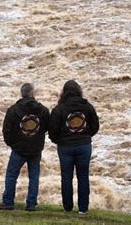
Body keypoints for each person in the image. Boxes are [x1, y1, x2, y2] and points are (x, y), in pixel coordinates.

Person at [0, 83, 50, 211]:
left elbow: (6, 130)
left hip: (18, 149)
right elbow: (47, 127)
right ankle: (31, 204)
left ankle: (8, 202)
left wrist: (12, 144)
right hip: (35, 149)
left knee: (11, 175)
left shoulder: (13, 110)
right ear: (32, 94)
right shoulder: (43, 110)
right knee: (34, 177)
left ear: (22, 93)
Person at [48, 80, 99, 214]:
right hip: (84, 146)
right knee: (83, 177)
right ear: (79, 91)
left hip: (65, 147)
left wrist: (58, 140)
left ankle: (67, 208)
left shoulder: (59, 109)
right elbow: (95, 126)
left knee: (66, 177)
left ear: (64, 92)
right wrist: (86, 135)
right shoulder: (87, 106)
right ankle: (83, 209)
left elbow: (52, 129)